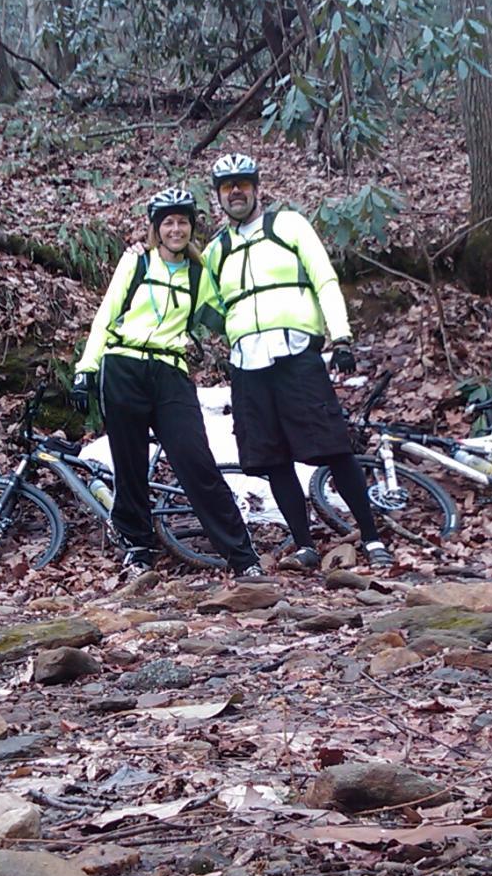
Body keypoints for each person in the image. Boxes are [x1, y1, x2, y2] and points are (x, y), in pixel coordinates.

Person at [201, 153, 393, 570]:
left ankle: (372, 538)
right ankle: (305, 544)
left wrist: (340, 335)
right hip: (247, 364)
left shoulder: (288, 225)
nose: (236, 192)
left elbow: (324, 277)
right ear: (218, 196)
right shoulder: (216, 249)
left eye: (243, 184)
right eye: (227, 186)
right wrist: (229, 330)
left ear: (256, 187)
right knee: (272, 459)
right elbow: (209, 304)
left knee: (333, 447)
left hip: (295, 357)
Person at [70, 188, 263, 579]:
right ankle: (139, 548)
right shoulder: (137, 263)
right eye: (168, 223)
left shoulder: (198, 272)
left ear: (192, 227)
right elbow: (106, 314)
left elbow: (222, 318)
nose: (176, 229)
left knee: (196, 461)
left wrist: (259, 340)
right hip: (123, 366)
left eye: (183, 222)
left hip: (171, 373)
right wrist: (85, 368)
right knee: (130, 464)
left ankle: (242, 556)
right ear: (157, 228)